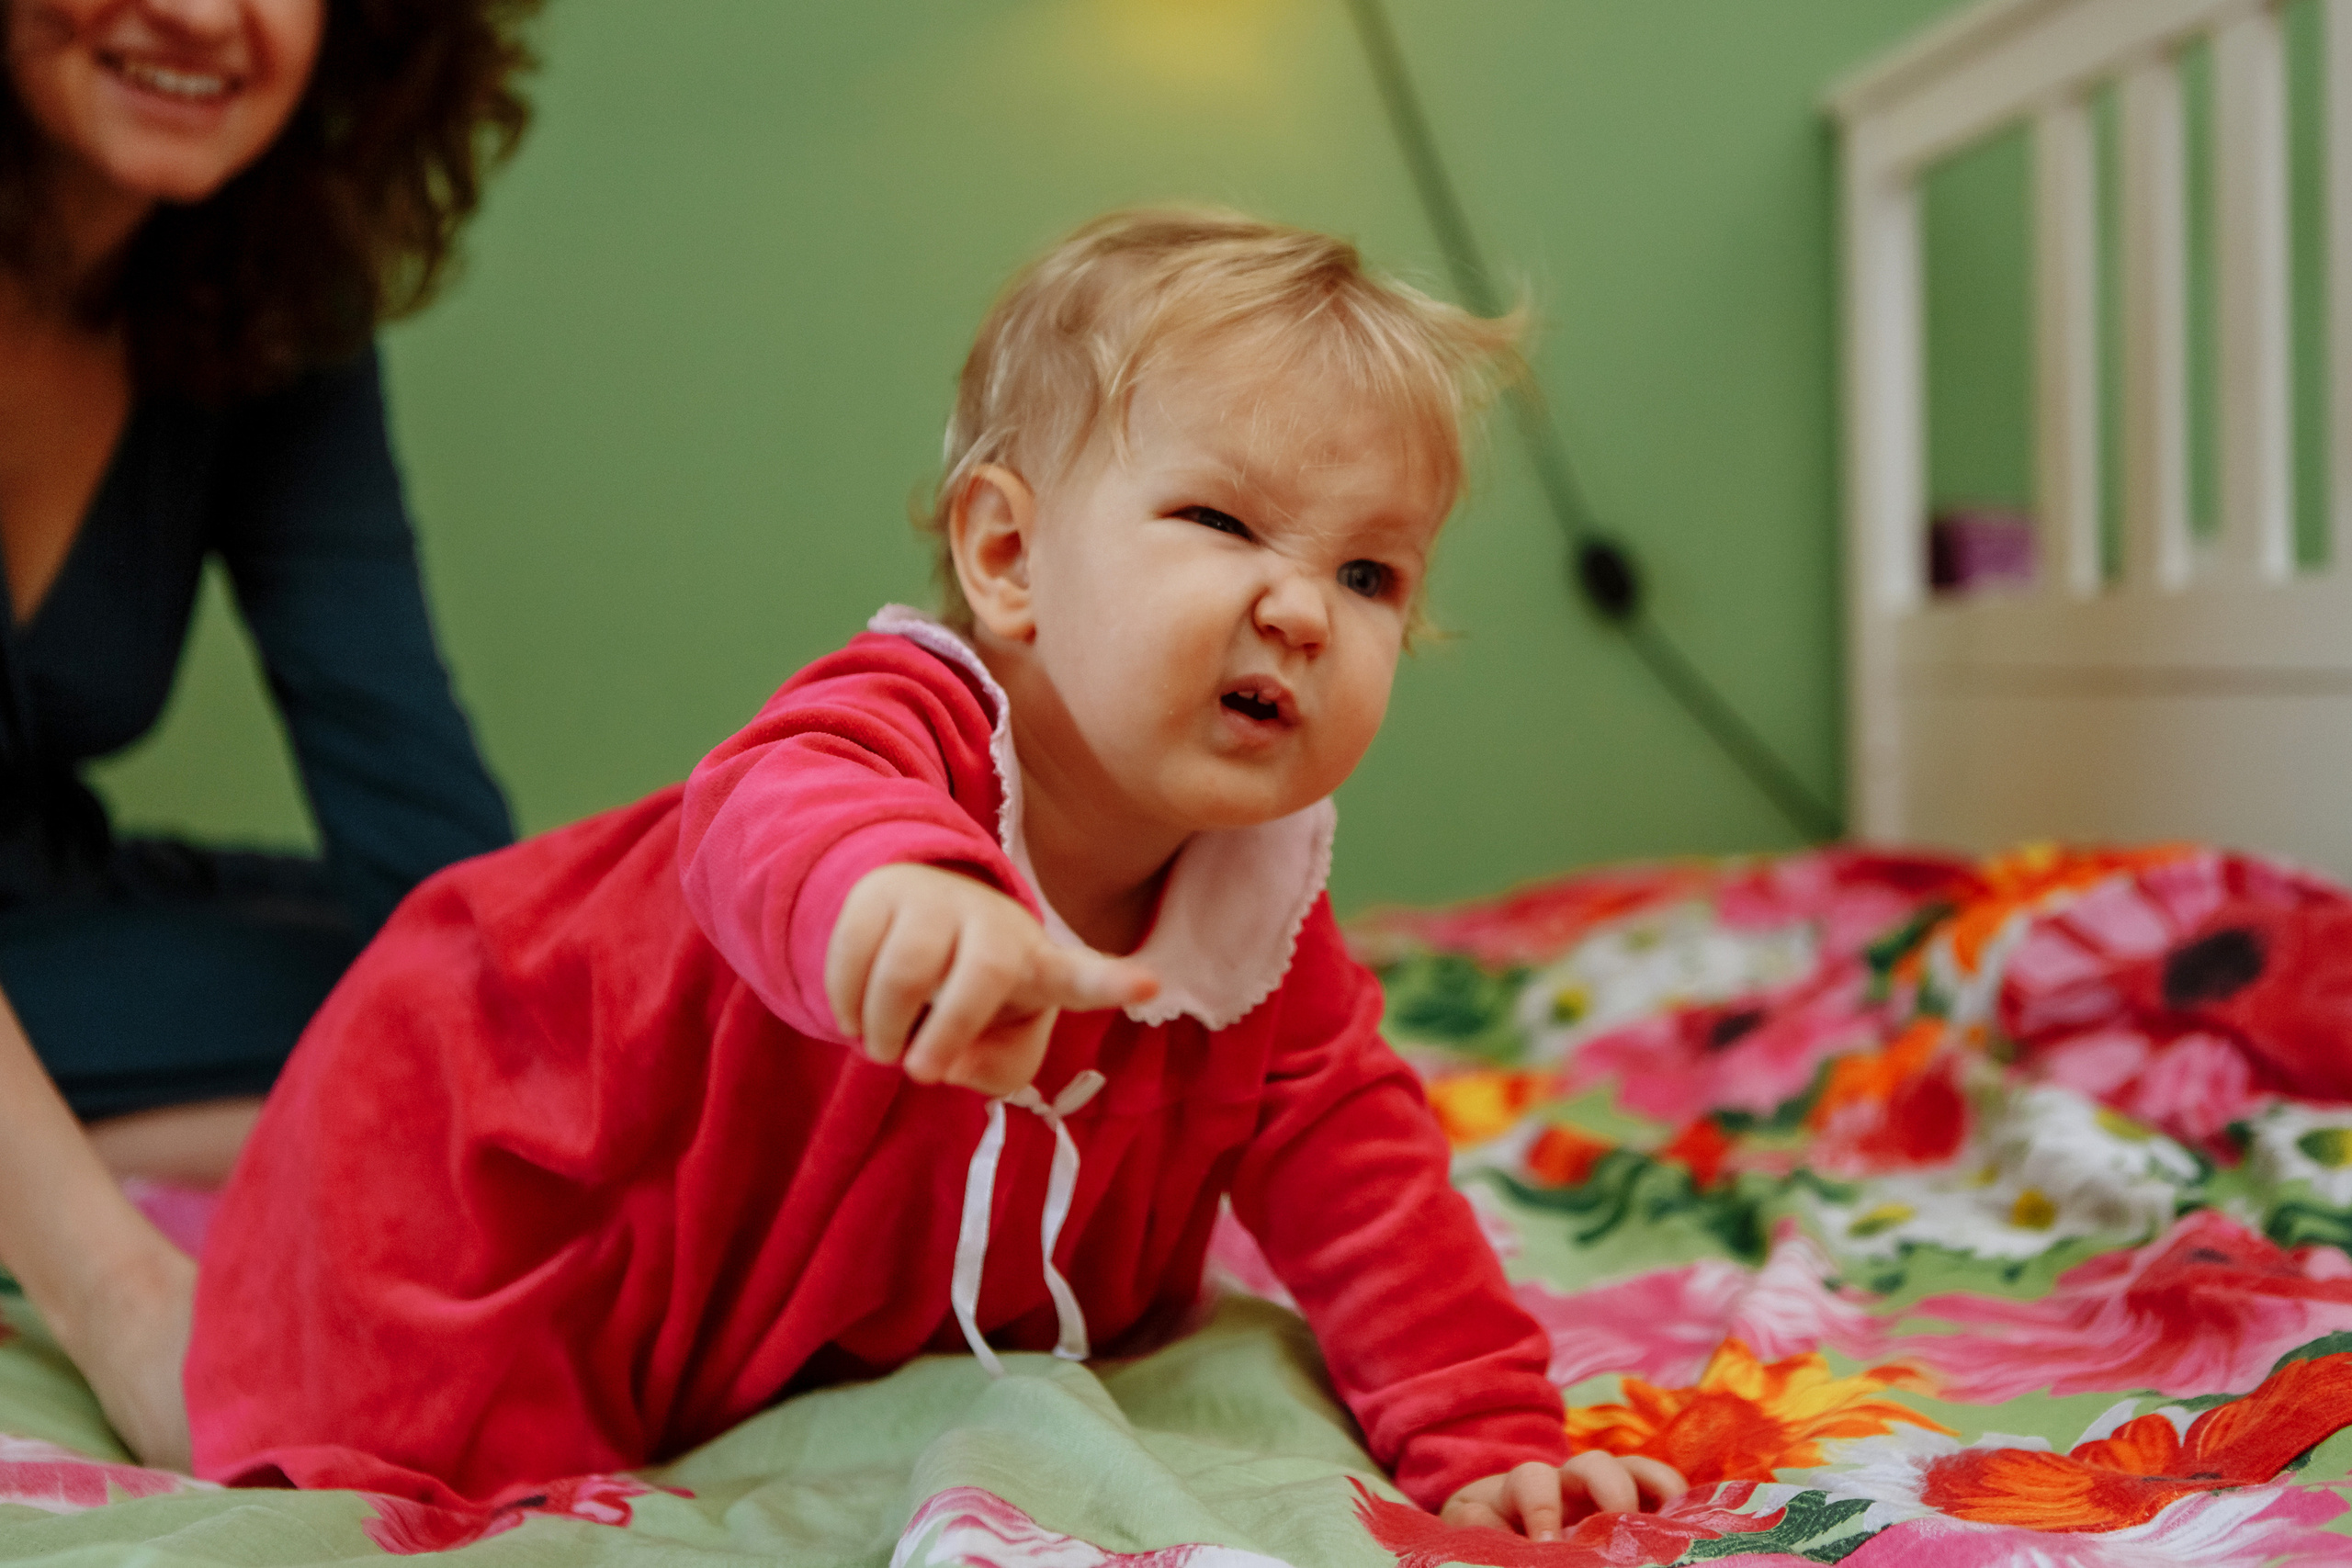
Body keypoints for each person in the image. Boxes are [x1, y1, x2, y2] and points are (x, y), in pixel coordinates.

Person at [182, 209, 1688, 1536]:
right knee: (437, 1456)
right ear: (1010, 557)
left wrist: (1486, 1437)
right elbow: (768, 819)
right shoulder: (900, 731)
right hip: (490, 1157)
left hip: (760, 1284)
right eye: (1224, 521)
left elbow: (1363, 1183)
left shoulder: (1265, 912)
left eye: (1372, 575)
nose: (1302, 608)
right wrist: (902, 904)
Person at [0, 0, 534, 1470]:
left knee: (458, 1004)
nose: (201, 13)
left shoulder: (261, 294)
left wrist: (592, 1089)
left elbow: (411, 798)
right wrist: (119, 1301)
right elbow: (136, 1324)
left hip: (52, 907)